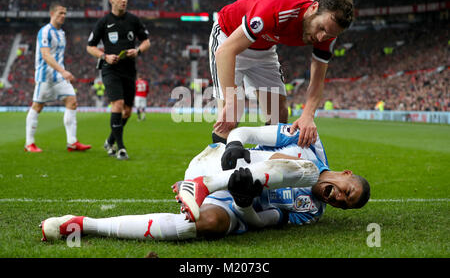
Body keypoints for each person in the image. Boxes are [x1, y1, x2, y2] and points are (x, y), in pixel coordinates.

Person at [40, 124, 370, 241]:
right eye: (348, 191)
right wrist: (235, 147)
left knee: (204, 225)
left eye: (346, 204)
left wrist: (243, 202)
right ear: (347, 174)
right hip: (216, 163)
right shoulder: (309, 143)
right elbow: (245, 133)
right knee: (308, 168)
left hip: (236, 200)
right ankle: (205, 184)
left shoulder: (310, 212)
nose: (340, 199)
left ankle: (85, 224)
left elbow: (263, 223)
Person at [210, 0, 354, 148]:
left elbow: (317, 80)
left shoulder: (328, 33)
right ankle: (218, 167)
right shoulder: (276, 8)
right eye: (321, 28)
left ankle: (264, 165)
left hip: (264, 50)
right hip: (228, 38)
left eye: (329, 35)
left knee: (278, 117)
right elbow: (225, 51)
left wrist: (308, 115)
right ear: (314, 7)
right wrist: (231, 101)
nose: (321, 38)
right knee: (230, 116)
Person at [86, 0, 151, 160]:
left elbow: (146, 41)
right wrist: (104, 56)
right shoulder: (104, 22)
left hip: (129, 70)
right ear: (112, 0)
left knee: (128, 111)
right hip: (110, 69)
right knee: (118, 104)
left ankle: (109, 140)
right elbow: (90, 47)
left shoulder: (134, 20)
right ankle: (120, 148)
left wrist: (137, 51)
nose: (124, 1)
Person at [25, 2, 91, 153]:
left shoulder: (61, 33)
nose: (63, 16)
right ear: (52, 14)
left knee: (72, 101)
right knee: (37, 106)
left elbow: (57, 55)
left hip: (60, 77)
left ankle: (72, 142)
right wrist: (63, 71)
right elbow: (46, 55)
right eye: (60, 13)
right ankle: (29, 143)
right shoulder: (45, 31)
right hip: (45, 77)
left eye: (65, 14)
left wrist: (62, 72)